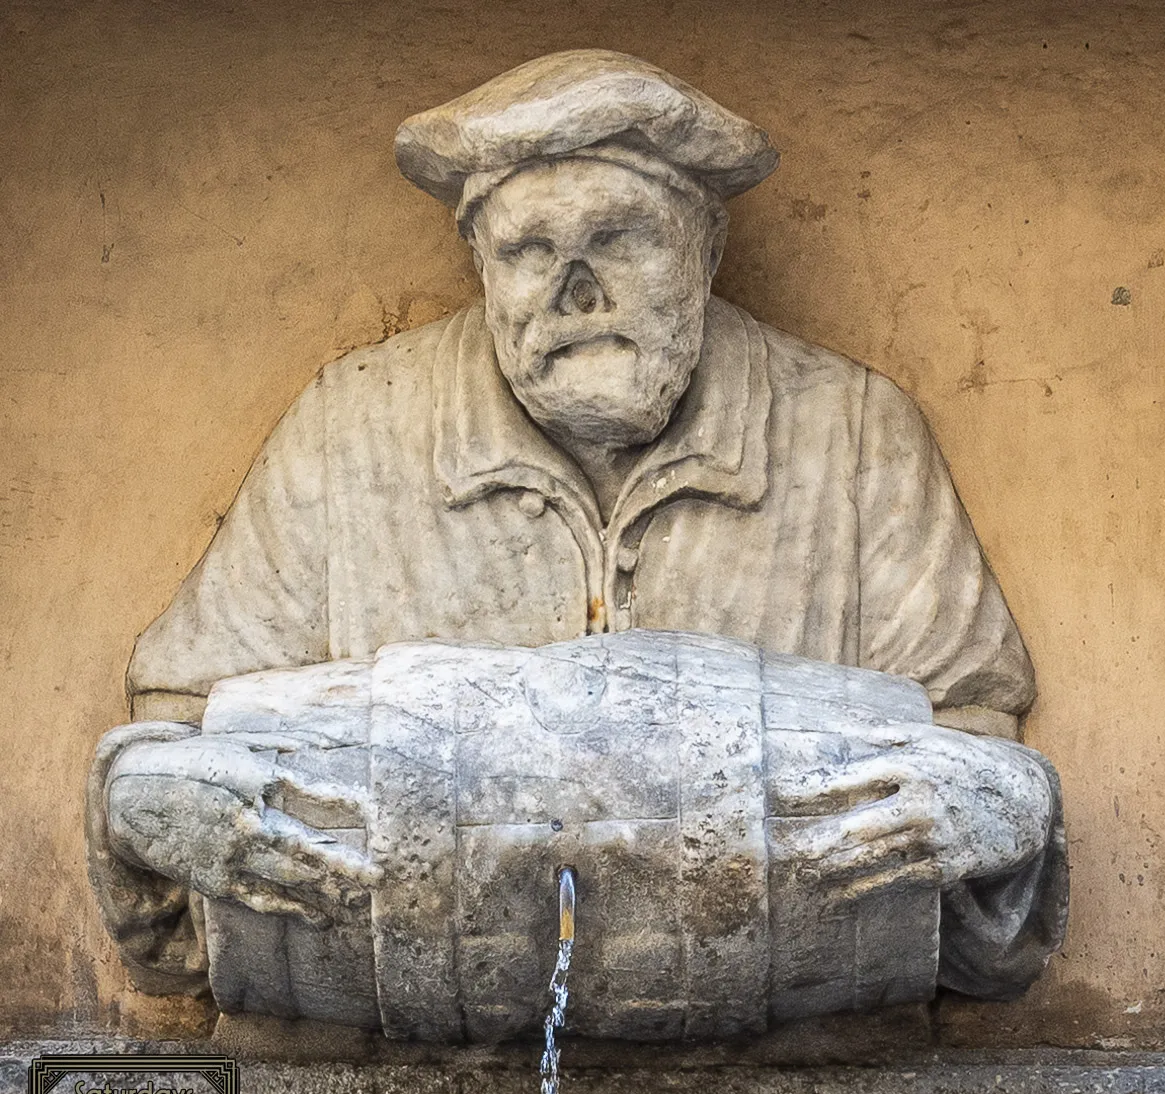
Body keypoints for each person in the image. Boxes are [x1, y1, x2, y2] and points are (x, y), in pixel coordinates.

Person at [90, 50, 1066, 1010]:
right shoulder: (354, 428)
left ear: (705, 251)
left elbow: (968, 738)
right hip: (418, 1046)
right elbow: (184, 732)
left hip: (773, 1054)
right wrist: (148, 801)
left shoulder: (853, 436)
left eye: (621, 239)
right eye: (527, 252)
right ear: (479, 264)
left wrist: (1003, 806)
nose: (576, 291)